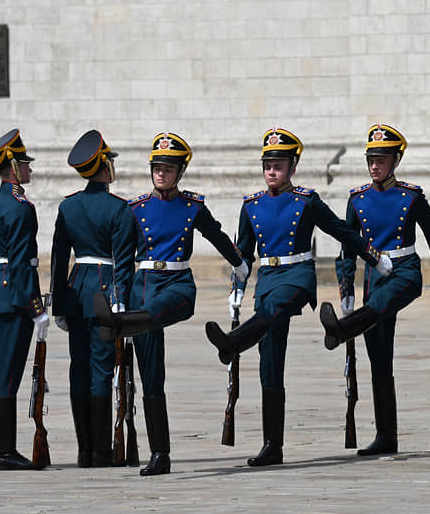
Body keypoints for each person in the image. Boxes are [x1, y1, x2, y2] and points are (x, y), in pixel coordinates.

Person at [205, 127, 392, 466]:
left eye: (279, 165)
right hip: (268, 279)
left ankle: (233, 343)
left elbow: (341, 230)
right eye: (268, 165)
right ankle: (272, 446)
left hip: (297, 277)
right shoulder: (251, 205)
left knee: (277, 309)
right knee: (269, 363)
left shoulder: (306, 201)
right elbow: (243, 256)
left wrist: (373, 255)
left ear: (293, 167)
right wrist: (236, 290)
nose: (272, 171)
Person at [94, 131, 247, 476]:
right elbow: (121, 257)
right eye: (157, 167)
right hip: (142, 286)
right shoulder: (135, 210)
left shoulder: (192, 206)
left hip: (178, 284)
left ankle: (123, 324)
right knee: (152, 377)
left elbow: (217, 235)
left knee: (162, 308)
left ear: (180, 171)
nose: (161, 173)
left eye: (168, 168)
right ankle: (160, 454)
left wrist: (239, 263)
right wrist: (118, 298)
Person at [320, 124, 430, 456]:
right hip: (374, 275)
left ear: (396, 160)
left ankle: (342, 329)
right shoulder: (358, 198)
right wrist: (346, 283)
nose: (375, 166)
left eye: (382, 159)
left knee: (381, 303)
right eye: (371, 159)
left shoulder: (411, 196)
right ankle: (386, 436)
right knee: (378, 356)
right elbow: (348, 245)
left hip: (406, 270)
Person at [50, 129, 136, 468]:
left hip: (75, 292)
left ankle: (84, 450)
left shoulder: (68, 206)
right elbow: (123, 263)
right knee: (101, 370)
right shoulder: (119, 209)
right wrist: (121, 303)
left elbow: (59, 259)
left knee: (79, 369)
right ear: (104, 167)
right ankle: (101, 451)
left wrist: (59, 303)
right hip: (104, 292)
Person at [0, 128, 49, 470]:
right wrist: (36, 308)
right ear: (13, 167)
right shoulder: (21, 208)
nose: (29, 170)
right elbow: (21, 264)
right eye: (25, 164)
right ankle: (4, 452)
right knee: (7, 376)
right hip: (14, 299)